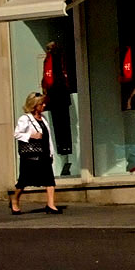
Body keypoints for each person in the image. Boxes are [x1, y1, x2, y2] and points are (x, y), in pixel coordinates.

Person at [12, 92, 60, 215]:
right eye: (41, 104)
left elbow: (48, 137)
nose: (44, 106)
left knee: (49, 180)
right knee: (24, 181)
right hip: (31, 156)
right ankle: (15, 199)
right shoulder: (25, 118)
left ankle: (50, 204)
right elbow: (17, 134)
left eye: (44, 103)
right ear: (34, 105)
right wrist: (31, 135)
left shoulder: (43, 118)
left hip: (44, 153)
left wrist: (51, 153)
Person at [42, 41, 73, 177]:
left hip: (59, 95)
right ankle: (64, 157)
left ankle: (66, 157)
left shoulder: (60, 59)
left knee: (63, 127)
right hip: (56, 96)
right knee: (61, 128)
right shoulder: (50, 60)